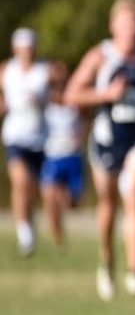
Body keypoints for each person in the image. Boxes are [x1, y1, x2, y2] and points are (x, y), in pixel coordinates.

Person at [65, 0, 135, 300]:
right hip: (107, 138)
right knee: (107, 202)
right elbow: (72, 94)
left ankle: (134, 269)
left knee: (134, 192)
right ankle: (107, 262)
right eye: (126, 23)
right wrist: (105, 94)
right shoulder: (100, 56)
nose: (131, 29)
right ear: (113, 25)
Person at [0, 28, 55, 255]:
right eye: (22, 49)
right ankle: (24, 232)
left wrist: (43, 98)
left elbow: (59, 96)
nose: (27, 53)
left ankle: (28, 222)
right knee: (20, 181)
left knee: (32, 189)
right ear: (16, 49)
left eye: (30, 49)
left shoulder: (46, 71)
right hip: (15, 135)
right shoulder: (6, 71)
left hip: (40, 137)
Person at [41, 61, 87, 246]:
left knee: (71, 202)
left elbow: (86, 121)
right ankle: (58, 238)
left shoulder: (75, 101)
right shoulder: (43, 101)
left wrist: (81, 135)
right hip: (52, 155)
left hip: (73, 155)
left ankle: (62, 220)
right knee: (49, 197)